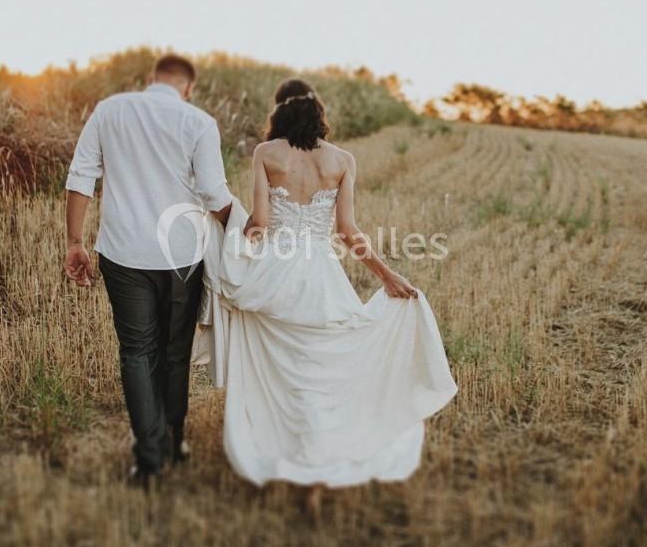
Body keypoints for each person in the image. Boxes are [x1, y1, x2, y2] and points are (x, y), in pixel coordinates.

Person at [196, 78, 457, 489]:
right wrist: (388, 276)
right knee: (320, 365)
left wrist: (236, 240)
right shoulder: (342, 160)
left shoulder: (267, 153)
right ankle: (321, 454)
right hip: (320, 274)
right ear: (318, 110)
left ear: (278, 110)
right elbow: (348, 232)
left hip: (274, 274)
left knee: (285, 370)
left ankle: (292, 451)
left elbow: (260, 224)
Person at [64, 54, 231, 489]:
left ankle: (150, 458)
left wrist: (75, 242)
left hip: (123, 254)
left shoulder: (111, 109)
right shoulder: (198, 121)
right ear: (188, 86)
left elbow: (82, 175)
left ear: (150, 80)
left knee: (137, 352)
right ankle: (173, 442)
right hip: (181, 257)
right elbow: (214, 192)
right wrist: (247, 233)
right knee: (175, 354)